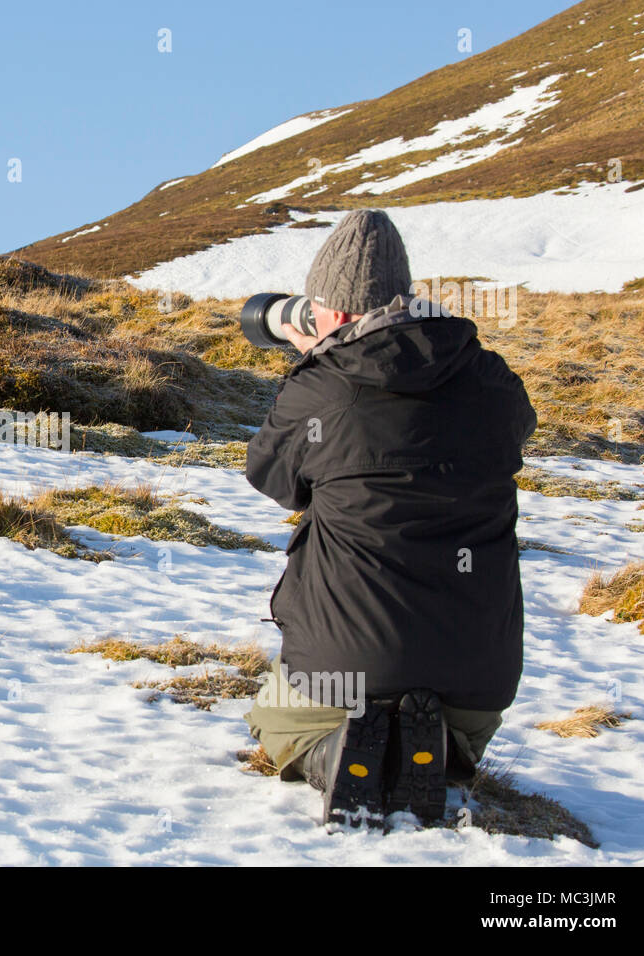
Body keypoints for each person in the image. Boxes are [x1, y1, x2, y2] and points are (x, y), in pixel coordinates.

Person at [243, 209, 536, 827]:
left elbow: (273, 478)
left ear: (333, 313)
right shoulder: (488, 377)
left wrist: (313, 364)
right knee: (461, 730)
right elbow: (515, 431)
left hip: (344, 666)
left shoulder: (324, 386)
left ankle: (327, 752)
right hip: (477, 675)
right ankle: (444, 754)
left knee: (274, 720)